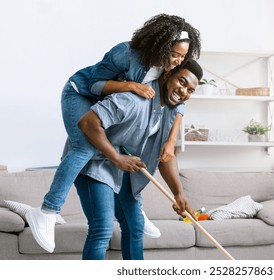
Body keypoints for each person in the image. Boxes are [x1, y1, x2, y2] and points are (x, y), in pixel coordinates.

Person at [26, 14, 201, 253]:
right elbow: (95, 86)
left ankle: (133, 212)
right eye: (175, 54)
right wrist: (129, 86)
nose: (177, 61)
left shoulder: (165, 75)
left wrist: (171, 142)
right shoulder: (128, 60)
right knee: (85, 148)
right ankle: (48, 210)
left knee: (133, 225)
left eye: (182, 57)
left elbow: (179, 99)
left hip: (108, 123)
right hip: (81, 93)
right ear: (161, 46)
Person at [75, 59, 202, 260]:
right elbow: (88, 123)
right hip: (96, 163)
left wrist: (179, 193)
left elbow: (164, 156)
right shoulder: (134, 98)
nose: (185, 91)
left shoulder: (170, 110)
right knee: (102, 229)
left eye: (191, 90)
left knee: (135, 227)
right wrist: (116, 157)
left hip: (123, 168)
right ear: (168, 74)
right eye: (182, 82)